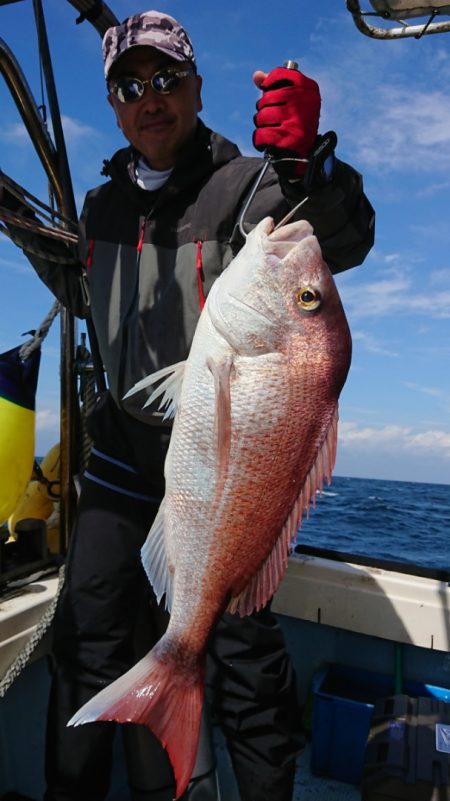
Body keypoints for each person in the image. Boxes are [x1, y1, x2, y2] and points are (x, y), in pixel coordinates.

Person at [0, 10, 375, 801]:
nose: (152, 97)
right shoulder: (99, 209)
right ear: (114, 104)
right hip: (125, 460)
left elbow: (340, 239)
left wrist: (313, 164)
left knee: (248, 665)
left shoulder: (250, 186)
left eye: (168, 77)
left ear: (198, 86)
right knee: (84, 639)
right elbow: (80, 290)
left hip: (222, 460)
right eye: (130, 85)